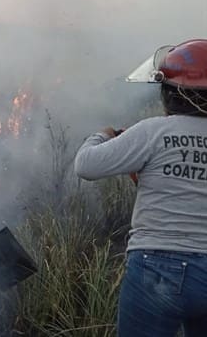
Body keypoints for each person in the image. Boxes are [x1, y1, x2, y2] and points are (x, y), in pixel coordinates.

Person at [74, 39, 207, 337]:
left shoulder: (152, 131)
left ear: (169, 93)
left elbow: (85, 165)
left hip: (156, 266)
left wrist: (101, 135)